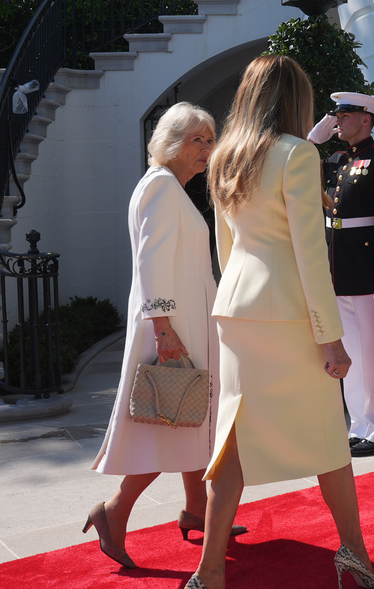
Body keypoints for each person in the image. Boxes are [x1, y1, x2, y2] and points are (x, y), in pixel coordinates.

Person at [186, 56, 374, 589]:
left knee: (232, 438)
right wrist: (332, 338)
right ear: (295, 99)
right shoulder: (297, 153)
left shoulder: (225, 155)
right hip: (288, 316)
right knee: (328, 439)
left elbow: (225, 248)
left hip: (238, 309)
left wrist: (244, 298)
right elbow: (309, 253)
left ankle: (209, 572)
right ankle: (355, 557)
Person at [86, 102, 246, 569]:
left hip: (181, 321)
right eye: (199, 139)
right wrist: (163, 327)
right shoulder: (160, 187)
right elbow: (151, 261)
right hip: (173, 325)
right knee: (170, 421)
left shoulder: (166, 187)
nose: (208, 149)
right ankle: (114, 511)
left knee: (191, 419)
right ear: (172, 142)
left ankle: (197, 509)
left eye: (210, 139)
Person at [320, 92, 374, 457]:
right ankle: (360, 425)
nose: (337, 120)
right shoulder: (337, 158)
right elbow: (299, 171)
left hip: (369, 274)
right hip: (338, 271)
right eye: (335, 115)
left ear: (366, 119)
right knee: (350, 355)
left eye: (344, 115)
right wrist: (313, 141)